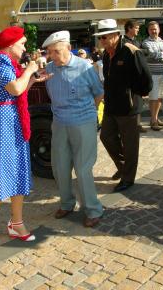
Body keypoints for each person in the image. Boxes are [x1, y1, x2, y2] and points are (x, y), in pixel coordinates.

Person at [0, 26, 50, 259]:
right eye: (22, 44)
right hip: (1, 122)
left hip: (14, 120)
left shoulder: (8, 64)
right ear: (10, 45)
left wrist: (34, 78)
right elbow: (16, 87)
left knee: (18, 172)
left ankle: (16, 223)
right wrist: (29, 71)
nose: (25, 48)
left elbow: (20, 91)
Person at [42, 31, 104, 228]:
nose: (53, 56)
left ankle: (93, 210)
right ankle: (67, 203)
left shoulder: (85, 67)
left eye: (57, 51)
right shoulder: (49, 69)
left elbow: (98, 93)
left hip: (83, 122)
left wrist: (88, 114)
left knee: (83, 168)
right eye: (50, 52)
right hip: (59, 123)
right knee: (59, 166)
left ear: (69, 48)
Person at [96, 19, 152, 192]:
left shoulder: (131, 51)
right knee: (106, 137)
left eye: (104, 37)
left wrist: (133, 94)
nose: (102, 41)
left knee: (130, 144)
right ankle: (123, 166)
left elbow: (146, 81)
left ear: (115, 35)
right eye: (100, 38)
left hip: (128, 107)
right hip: (111, 106)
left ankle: (128, 178)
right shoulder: (106, 54)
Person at [141, 21, 163, 131]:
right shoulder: (145, 43)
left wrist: (158, 55)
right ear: (148, 31)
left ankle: (155, 118)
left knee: (160, 97)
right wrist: (162, 55)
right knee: (153, 97)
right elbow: (149, 55)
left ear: (159, 30)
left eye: (155, 29)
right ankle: (153, 120)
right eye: (151, 29)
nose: (154, 31)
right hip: (152, 74)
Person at [123, 19, 145, 132]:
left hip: (138, 77)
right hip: (127, 79)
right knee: (128, 103)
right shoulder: (122, 42)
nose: (137, 30)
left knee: (138, 102)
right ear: (130, 28)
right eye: (136, 28)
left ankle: (138, 124)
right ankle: (130, 125)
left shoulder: (137, 42)